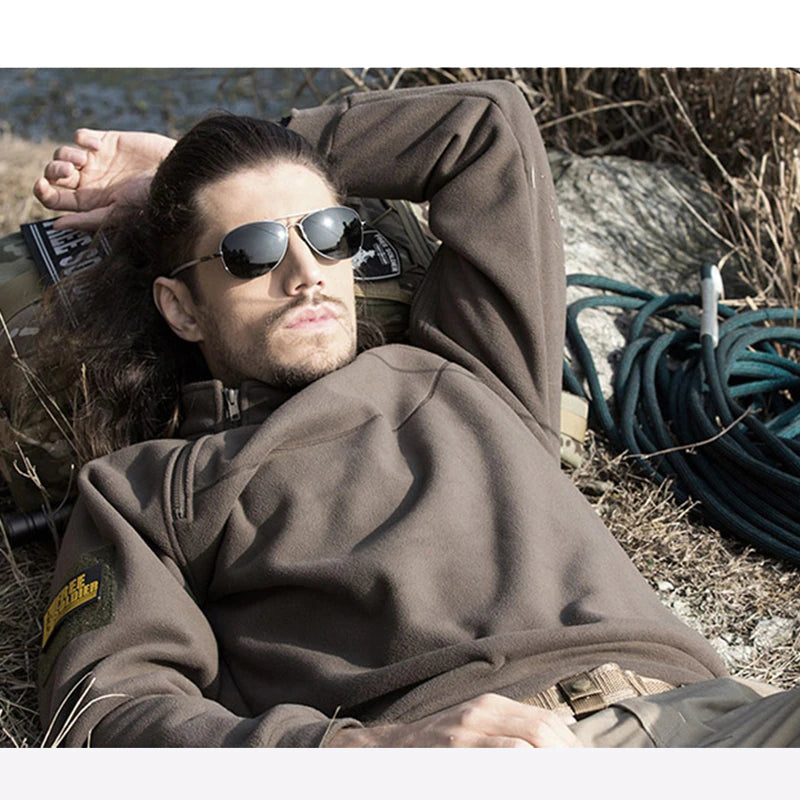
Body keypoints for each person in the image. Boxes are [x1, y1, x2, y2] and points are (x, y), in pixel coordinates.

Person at [31, 80, 798, 748]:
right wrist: (371, 753)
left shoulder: (469, 366)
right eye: (253, 250)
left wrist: (184, 162)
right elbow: (106, 713)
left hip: (712, 718)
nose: (307, 274)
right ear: (182, 307)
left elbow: (485, 126)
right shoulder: (148, 492)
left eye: (330, 234)